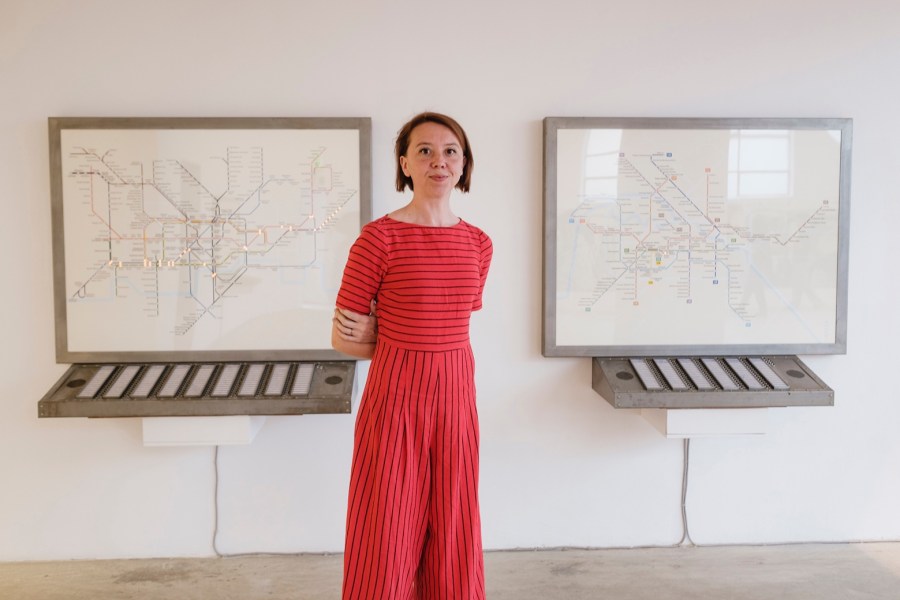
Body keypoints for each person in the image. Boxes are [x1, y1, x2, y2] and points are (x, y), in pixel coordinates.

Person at [332, 112, 493, 599]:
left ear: (463, 165)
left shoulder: (479, 244)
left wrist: (396, 329)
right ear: (405, 163)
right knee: (385, 530)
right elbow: (342, 338)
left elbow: (452, 322)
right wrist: (397, 337)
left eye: (450, 151)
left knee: (453, 526)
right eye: (424, 151)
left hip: (456, 401)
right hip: (395, 402)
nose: (438, 161)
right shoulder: (377, 240)